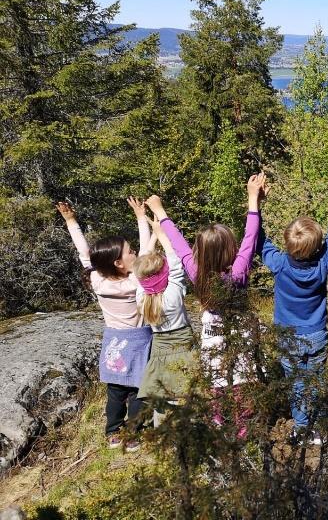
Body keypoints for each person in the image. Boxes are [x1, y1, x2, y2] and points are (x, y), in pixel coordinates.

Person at [145, 174, 265, 437]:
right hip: (241, 329)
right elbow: (250, 237)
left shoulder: (196, 272)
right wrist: (253, 199)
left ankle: (218, 420)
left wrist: (160, 211)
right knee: (243, 376)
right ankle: (243, 427)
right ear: (230, 250)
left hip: (213, 331)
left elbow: (179, 246)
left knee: (216, 376)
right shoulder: (238, 273)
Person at [57, 198, 153, 452]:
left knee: (115, 391)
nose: (134, 254)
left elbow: (84, 253)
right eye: (129, 252)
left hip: (115, 341)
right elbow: (145, 250)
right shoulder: (135, 282)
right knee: (138, 392)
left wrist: (70, 222)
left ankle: (113, 432)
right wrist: (142, 218)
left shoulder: (99, 281)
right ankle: (133, 434)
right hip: (140, 340)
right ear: (119, 263)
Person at [257, 180, 328, 446]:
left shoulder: (280, 264)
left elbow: (258, 241)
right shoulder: (323, 263)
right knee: (315, 379)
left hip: (288, 337)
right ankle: (317, 428)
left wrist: (257, 204)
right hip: (316, 333)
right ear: (318, 247)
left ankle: (301, 427)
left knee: (296, 382)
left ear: (287, 244)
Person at [134, 217, 195, 426]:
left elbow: (140, 268)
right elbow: (176, 261)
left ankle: (161, 427)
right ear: (165, 274)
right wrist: (161, 233)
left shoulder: (142, 299)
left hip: (159, 346)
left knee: (162, 392)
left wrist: (152, 239)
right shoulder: (174, 294)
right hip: (183, 341)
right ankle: (190, 427)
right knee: (187, 389)